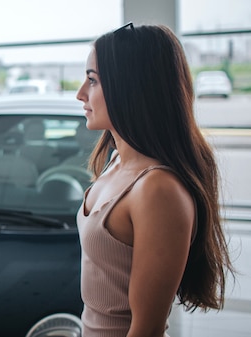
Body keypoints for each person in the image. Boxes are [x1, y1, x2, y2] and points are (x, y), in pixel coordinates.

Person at [75, 23, 234, 337]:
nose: (80, 92)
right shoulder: (116, 161)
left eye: (92, 80)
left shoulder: (157, 190)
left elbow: (145, 330)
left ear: (130, 86)